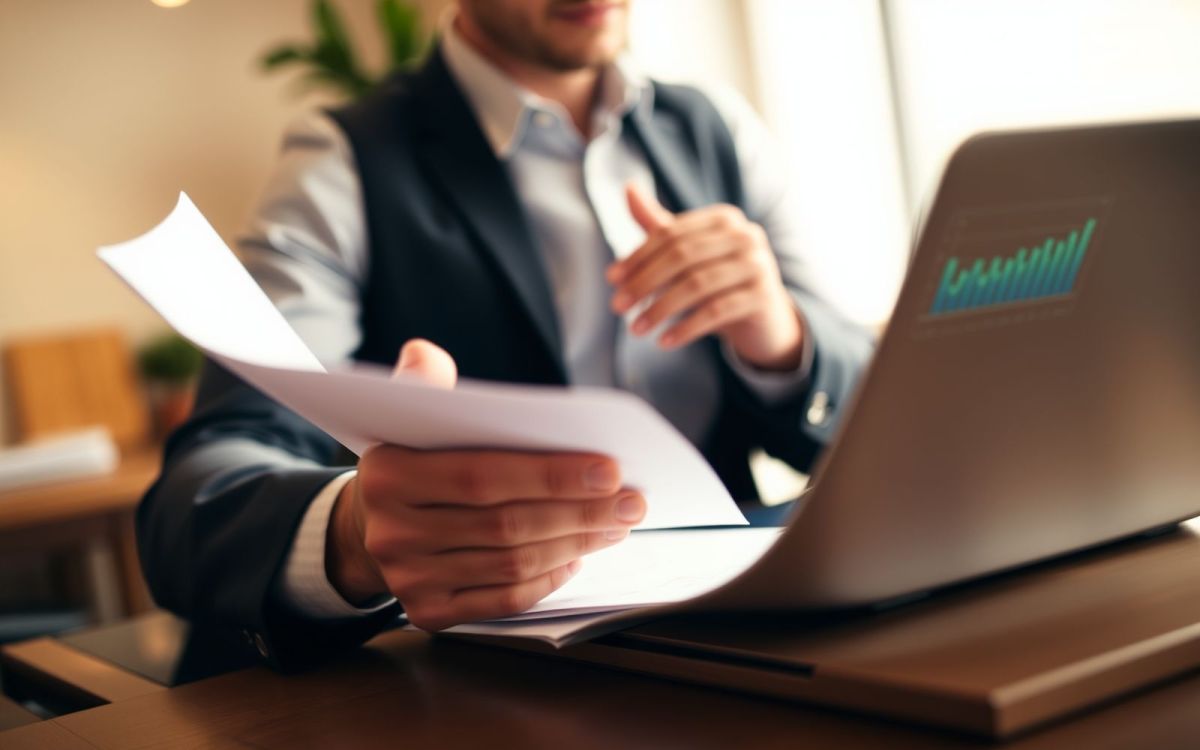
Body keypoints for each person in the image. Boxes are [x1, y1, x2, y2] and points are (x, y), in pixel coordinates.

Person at [140, 0, 875, 669]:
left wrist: (781, 343)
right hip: (488, 686)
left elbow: (877, 411)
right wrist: (354, 538)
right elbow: (201, 495)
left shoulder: (717, 128)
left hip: (742, 642)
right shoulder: (342, 162)